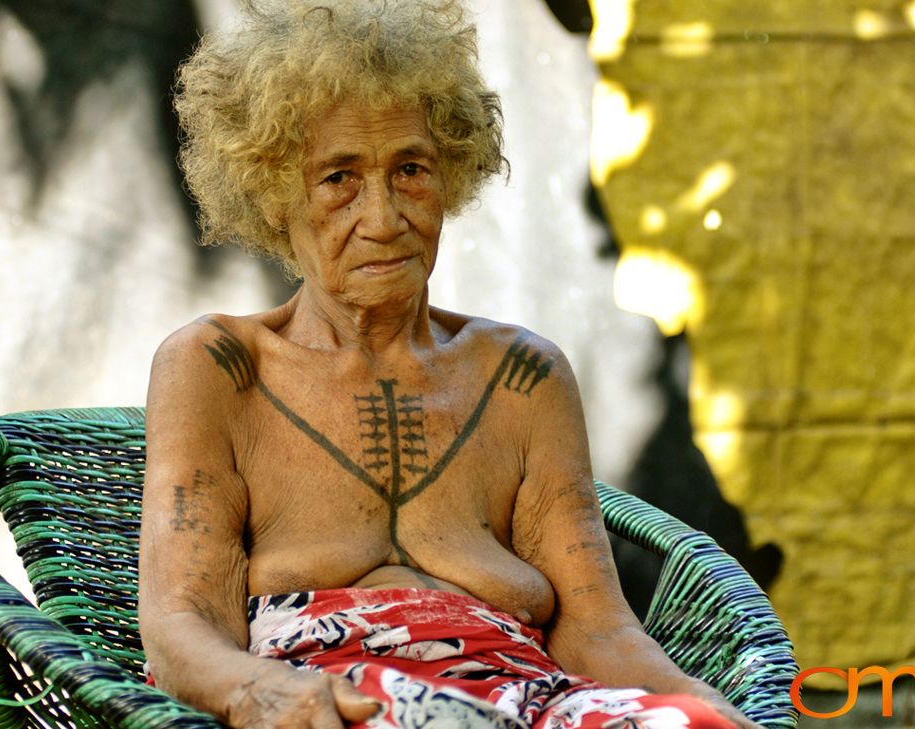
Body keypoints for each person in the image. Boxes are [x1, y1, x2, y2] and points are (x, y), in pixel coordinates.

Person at [139, 2, 761, 728]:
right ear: (275, 195)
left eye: (410, 169)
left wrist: (706, 710)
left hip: (531, 700)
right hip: (329, 703)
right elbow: (181, 625)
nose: (383, 217)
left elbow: (599, 630)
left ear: (450, 177)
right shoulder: (218, 367)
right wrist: (258, 691)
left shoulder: (523, 376)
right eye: (338, 178)